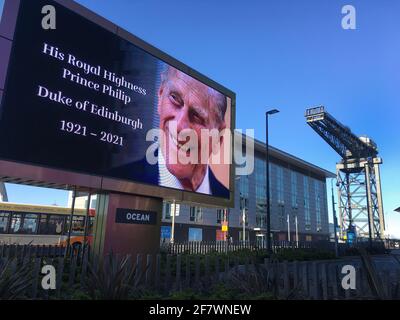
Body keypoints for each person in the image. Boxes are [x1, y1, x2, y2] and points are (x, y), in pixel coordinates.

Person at [110, 66, 229, 198]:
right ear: (160, 96)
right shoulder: (116, 183)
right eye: (174, 99)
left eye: (197, 116)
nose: (179, 126)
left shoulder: (225, 197)